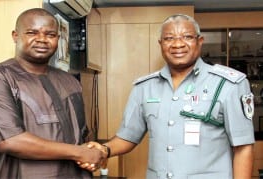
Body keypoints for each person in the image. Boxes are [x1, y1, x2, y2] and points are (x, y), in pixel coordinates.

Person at [86, 14, 255, 179]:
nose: (178, 44)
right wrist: (104, 149)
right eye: (169, 38)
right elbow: (128, 137)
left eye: (187, 36)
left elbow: (243, 147)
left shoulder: (228, 85)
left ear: (199, 41)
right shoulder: (145, 87)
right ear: (161, 44)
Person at [0, 8, 105, 179]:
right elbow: (10, 141)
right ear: (15, 36)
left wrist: (93, 153)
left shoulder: (70, 81)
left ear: (58, 39)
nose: (42, 39)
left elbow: (80, 136)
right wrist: (79, 152)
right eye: (32, 32)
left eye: (50, 35)